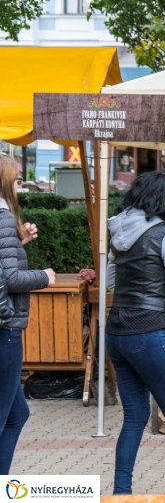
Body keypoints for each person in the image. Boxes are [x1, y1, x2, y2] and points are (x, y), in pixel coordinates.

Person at [106, 172, 165, 494]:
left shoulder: (116, 229)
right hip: (148, 330)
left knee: (134, 416)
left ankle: (121, 492)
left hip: (116, 330)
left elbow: (109, 283)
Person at [0, 154, 55, 475]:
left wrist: (20, 242)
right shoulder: (4, 216)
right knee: (6, 415)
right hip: (6, 327)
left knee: (17, 415)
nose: (20, 187)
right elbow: (12, 279)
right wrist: (45, 276)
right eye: (17, 181)